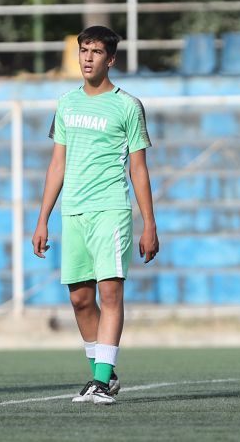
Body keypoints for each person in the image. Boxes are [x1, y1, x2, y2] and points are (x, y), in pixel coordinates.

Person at [32, 25, 159, 405]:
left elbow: (138, 168)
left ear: (111, 59)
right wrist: (42, 219)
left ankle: (101, 381)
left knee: (110, 292)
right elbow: (57, 164)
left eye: (96, 52)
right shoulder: (66, 104)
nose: (88, 58)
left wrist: (149, 224)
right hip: (74, 212)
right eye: (83, 50)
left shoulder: (128, 106)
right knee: (80, 300)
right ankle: (104, 374)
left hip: (111, 210)